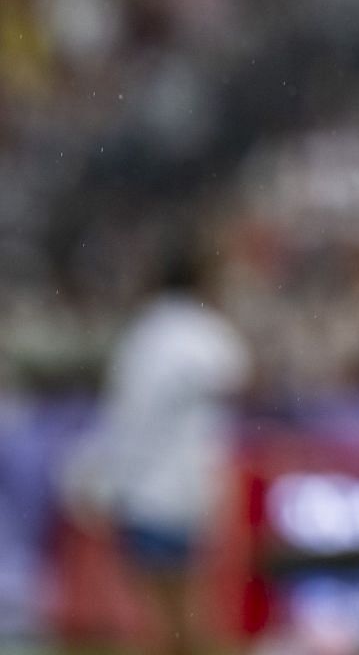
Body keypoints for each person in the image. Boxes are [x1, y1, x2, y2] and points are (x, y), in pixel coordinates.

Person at [61, 238, 252, 655]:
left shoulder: (145, 333)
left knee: (168, 620)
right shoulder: (204, 334)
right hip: (188, 488)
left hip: (147, 487)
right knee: (185, 620)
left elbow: (124, 418)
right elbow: (236, 376)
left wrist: (105, 479)